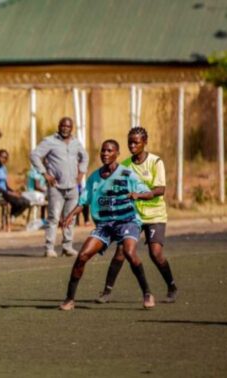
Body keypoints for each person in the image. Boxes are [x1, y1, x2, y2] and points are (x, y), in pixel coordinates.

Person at [58, 140, 155, 311]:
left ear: (117, 154)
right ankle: (69, 299)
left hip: (127, 221)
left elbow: (148, 192)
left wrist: (138, 195)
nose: (105, 154)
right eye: (103, 151)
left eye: (110, 151)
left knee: (129, 252)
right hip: (104, 225)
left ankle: (147, 293)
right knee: (82, 257)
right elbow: (84, 201)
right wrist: (70, 215)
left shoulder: (127, 174)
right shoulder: (94, 177)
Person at [96, 127, 178, 304]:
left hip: (155, 215)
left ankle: (171, 286)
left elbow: (160, 190)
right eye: (130, 142)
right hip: (132, 216)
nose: (132, 145)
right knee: (121, 252)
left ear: (145, 142)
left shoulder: (156, 162)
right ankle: (106, 291)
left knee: (155, 254)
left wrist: (139, 195)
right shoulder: (125, 165)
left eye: (136, 142)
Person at [30, 117, 89, 257]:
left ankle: (67, 246)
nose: (65, 128)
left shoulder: (76, 142)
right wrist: (45, 174)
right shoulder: (50, 141)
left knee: (70, 217)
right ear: (59, 126)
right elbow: (34, 155)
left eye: (68, 126)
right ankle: (49, 248)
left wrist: (81, 172)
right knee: (54, 218)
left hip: (73, 187)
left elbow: (85, 156)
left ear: (72, 127)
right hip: (56, 186)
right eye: (63, 125)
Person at [0, 149, 30, 218]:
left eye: (6, 158)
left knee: (26, 202)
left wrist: (13, 191)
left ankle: (11, 216)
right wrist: (8, 193)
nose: (4, 159)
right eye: (2, 157)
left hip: (5, 191)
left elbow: (5, 184)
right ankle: (8, 218)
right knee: (18, 202)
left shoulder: (3, 167)